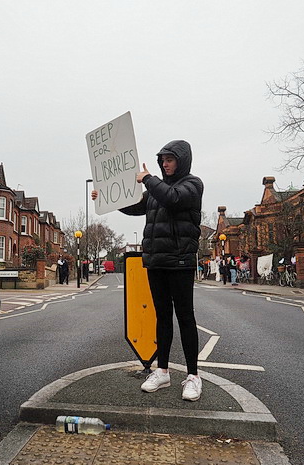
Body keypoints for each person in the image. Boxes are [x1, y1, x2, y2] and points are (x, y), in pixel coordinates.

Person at [92, 140, 204, 401]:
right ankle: (162, 371)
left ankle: (193, 377)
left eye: (170, 159)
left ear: (182, 160)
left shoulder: (192, 185)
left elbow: (173, 199)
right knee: (162, 317)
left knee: (185, 317)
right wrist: (107, 199)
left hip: (180, 261)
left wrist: (149, 178)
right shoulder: (156, 190)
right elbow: (134, 206)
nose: (165, 163)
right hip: (155, 261)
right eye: (162, 159)